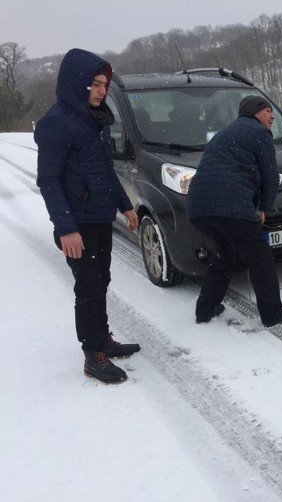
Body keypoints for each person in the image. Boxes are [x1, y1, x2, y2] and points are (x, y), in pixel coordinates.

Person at [35, 48, 141, 384]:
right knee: (89, 287)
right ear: (77, 83)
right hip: (76, 225)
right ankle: (92, 355)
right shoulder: (56, 124)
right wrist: (66, 228)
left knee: (102, 282)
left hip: (99, 218)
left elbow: (107, 171)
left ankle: (102, 338)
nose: (102, 90)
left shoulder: (95, 120)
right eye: (95, 84)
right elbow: (48, 181)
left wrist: (125, 205)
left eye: (104, 84)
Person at [187, 95, 282, 327]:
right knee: (260, 258)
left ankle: (205, 309)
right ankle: (272, 314)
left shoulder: (224, 134)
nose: (272, 117)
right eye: (268, 112)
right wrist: (263, 207)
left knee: (225, 255)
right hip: (231, 205)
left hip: (199, 207)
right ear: (255, 113)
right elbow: (270, 177)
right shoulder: (259, 133)